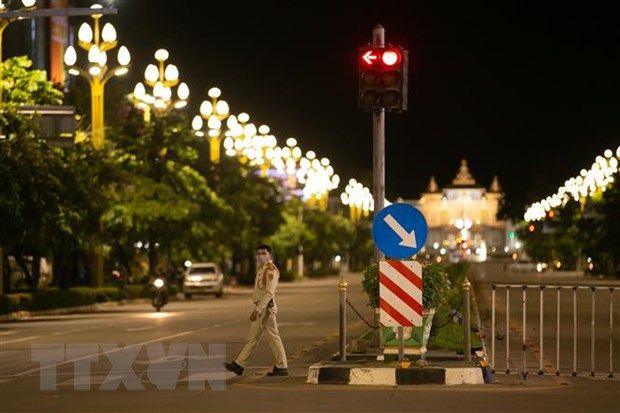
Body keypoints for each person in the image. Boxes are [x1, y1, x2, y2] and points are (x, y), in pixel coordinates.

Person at [225, 244, 288, 377]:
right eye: (258, 254)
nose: (260, 256)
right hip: (262, 308)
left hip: (265, 309)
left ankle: (281, 366)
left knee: (268, 338)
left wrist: (258, 310)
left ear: (270, 255)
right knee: (256, 338)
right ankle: (239, 365)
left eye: (264, 253)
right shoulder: (262, 269)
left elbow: (269, 292)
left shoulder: (271, 270)